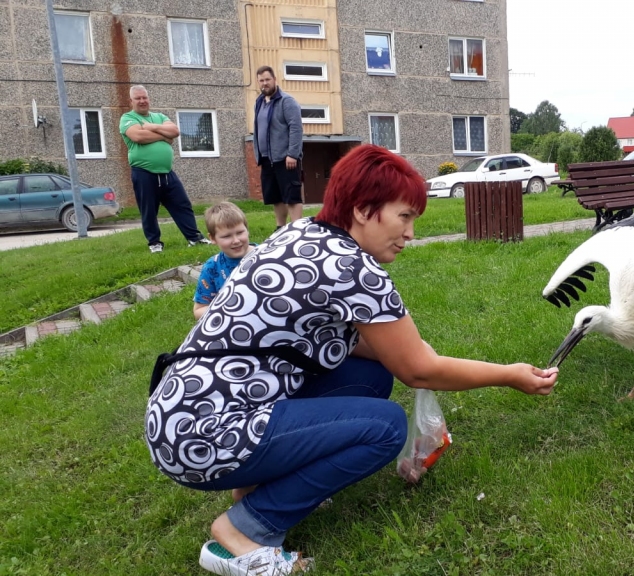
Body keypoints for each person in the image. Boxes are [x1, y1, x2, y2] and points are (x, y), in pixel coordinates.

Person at [145, 145, 559, 575]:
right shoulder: (353, 269)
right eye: (404, 216)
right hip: (206, 437)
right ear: (363, 210)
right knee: (385, 427)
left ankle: (252, 490)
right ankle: (244, 530)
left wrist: (416, 355)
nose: (411, 233)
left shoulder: (301, 231)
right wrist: (509, 375)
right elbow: (417, 369)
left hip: (178, 417)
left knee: (369, 375)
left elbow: (378, 350)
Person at [119, 85, 212, 253]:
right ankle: (154, 243)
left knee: (182, 204)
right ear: (130, 101)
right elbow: (138, 136)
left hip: (167, 173)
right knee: (149, 210)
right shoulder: (127, 118)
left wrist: (151, 127)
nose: (142, 101)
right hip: (143, 173)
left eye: (144, 97)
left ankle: (194, 238)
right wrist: (164, 136)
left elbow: (175, 131)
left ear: (149, 98)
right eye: (138, 98)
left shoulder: (159, 116)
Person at [254, 65, 304, 230]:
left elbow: (296, 127)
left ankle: (296, 229)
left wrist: (293, 154)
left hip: (286, 158)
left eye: (267, 79)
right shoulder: (259, 102)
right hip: (268, 159)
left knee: (292, 196)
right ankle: (280, 229)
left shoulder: (286, 101)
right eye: (261, 80)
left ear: (275, 80)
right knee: (276, 197)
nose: (264, 83)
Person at [192, 202, 257, 320]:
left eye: (240, 232)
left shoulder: (266, 255)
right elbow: (199, 310)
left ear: (247, 230)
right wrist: (226, 310)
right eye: (227, 236)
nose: (236, 240)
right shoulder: (212, 267)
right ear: (212, 238)